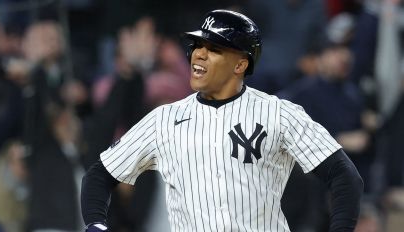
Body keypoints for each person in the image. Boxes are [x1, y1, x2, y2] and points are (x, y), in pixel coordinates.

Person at [81, 9, 363, 232]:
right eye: (197, 45)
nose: (198, 54)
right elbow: (99, 175)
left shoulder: (278, 113)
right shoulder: (164, 119)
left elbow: (344, 176)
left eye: (214, 48)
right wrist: (96, 224)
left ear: (240, 64)